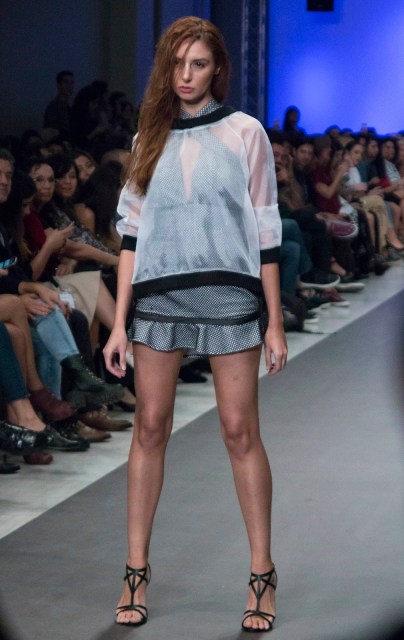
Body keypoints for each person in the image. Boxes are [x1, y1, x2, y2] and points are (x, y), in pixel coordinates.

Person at [103, 16, 287, 633]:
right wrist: (117, 323)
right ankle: (135, 571)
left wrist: (275, 322)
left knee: (239, 432)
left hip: (230, 295)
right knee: (150, 427)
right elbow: (131, 235)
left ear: (218, 69)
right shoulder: (147, 138)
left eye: (199, 64)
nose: (186, 75)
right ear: (166, 67)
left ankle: (261, 572)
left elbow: (265, 229)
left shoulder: (245, 132)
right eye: (178, 64)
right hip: (158, 298)